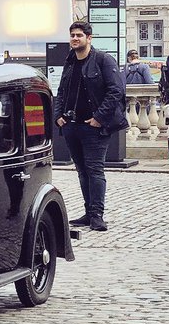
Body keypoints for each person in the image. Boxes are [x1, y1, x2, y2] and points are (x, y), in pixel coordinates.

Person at [53, 21, 127, 232]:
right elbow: (61, 90)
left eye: (79, 35)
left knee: (95, 171)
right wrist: (58, 115)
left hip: (94, 127)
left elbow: (116, 91)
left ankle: (97, 215)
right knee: (82, 171)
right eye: (72, 35)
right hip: (71, 126)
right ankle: (88, 212)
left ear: (89, 38)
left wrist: (98, 118)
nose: (75, 39)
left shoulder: (103, 60)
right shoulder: (70, 61)